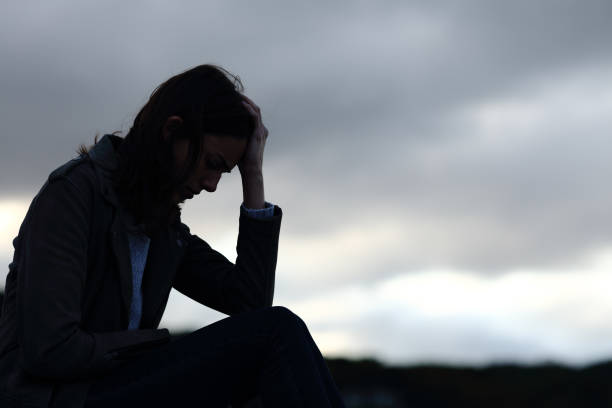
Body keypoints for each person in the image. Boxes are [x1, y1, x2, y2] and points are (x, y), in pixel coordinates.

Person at [0, 64, 346, 408]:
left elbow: (249, 303)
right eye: (212, 163)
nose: (212, 185)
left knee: (278, 333)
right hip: (57, 399)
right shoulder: (73, 194)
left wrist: (252, 173)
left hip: (112, 389)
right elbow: (50, 350)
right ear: (171, 132)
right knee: (277, 332)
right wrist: (153, 347)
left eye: (223, 173)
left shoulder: (162, 228)